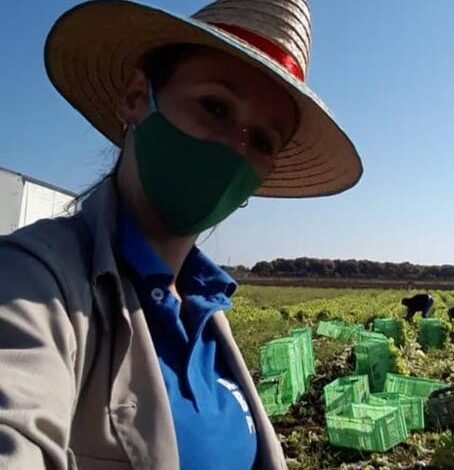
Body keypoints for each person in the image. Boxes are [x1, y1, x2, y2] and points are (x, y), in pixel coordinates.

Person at [0, 1, 362, 469]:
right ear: (136, 97)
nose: (236, 147)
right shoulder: (34, 285)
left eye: (264, 140)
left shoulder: (208, 312)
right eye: (215, 106)